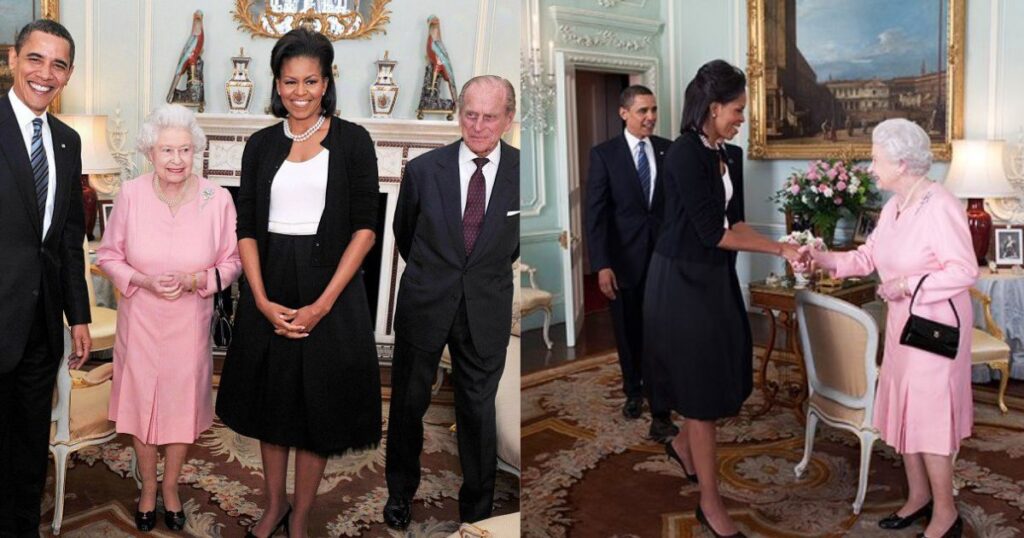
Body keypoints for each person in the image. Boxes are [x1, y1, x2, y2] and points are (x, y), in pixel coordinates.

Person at [215, 28, 382, 538]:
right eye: (290, 81)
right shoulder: (261, 144)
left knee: (317, 411)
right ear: (276, 83)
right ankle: (274, 505)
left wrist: (323, 305)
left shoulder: (354, 140)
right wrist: (260, 300)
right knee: (273, 405)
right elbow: (245, 227)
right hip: (272, 282)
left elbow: (366, 229)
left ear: (328, 80)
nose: (301, 91)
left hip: (331, 288)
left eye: (311, 80)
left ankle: (302, 515)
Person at [644, 60, 804, 538]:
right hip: (680, 281)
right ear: (713, 108)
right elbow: (712, 233)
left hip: (713, 279)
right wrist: (780, 248)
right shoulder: (683, 155)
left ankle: (686, 449)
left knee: (721, 372)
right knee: (701, 393)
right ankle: (710, 505)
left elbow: (735, 224)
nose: (743, 118)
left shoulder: (727, 154)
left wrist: (788, 243)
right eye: (737, 109)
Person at [806, 118, 977, 538]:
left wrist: (906, 284)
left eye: (876, 158)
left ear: (901, 163)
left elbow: (965, 270)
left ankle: (946, 514)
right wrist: (823, 258)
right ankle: (919, 498)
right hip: (904, 325)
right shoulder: (894, 206)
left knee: (931, 419)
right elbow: (867, 257)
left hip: (937, 330)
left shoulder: (940, 204)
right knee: (909, 413)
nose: (870, 166)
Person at [95, 104, 240, 532]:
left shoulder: (219, 199)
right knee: (141, 405)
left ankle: (171, 486)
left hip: (189, 323)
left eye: (184, 150)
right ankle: (147, 489)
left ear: (195, 151)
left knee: (181, 407)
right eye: (166, 151)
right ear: (149, 153)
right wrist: (142, 279)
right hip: (139, 318)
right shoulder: (131, 194)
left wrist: (199, 279)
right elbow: (107, 255)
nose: (176, 160)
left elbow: (232, 262)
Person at [384, 75, 519, 529]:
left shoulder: (525, 173)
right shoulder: (424, 171)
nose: (478, 127)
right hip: (426, 303)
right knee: (407, 404)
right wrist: (437, 276)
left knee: (478, 413)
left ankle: (477, 513)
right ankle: (400, 493)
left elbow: (511, 247)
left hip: (485, 309)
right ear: (459, 113)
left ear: (509, 119)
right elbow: (405, 235)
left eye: (490, 117)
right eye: (470, 115)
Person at [0, 20, 92, 536]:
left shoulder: (66, 140)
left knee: (29, 446)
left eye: (58, 64)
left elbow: (65, 239)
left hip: (40, 325)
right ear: (14, 59)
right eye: (36, 59)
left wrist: (77, 315)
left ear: (69, 75)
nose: (45, 73)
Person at [585, 85, 677, 442]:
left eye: (654, 109)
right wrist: (602, 264)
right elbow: (596, 215)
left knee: (662, 331)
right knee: (628, 331)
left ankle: (662, 403)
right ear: (624, 113)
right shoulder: (604, 154)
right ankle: (634, 391)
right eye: (643, 111)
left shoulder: (669, 150)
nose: (651, 117)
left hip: (664, 260)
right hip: (622, 261)